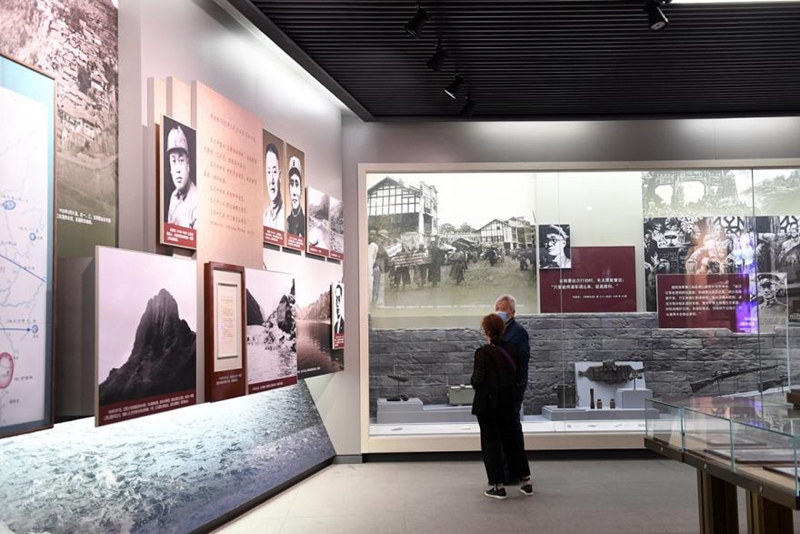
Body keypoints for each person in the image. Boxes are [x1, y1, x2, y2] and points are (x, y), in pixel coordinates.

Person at [471, 313, 532, 500]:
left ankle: (498, 486)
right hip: (509, 403)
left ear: (486, 331)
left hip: (488, 406)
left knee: (492, 444)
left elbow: (477, 380)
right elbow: (519, 375)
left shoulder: (483, 352)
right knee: (513, 441)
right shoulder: (512, 350)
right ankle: (526, 481)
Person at [494, 294, 530, 413]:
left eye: (503, 309)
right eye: (497, 308)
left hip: (512, 385)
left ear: (512, 312)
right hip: (498, 384)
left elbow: (523, 358)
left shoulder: (519, 331)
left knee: (511, 418)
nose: (499, 312)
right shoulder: (497, 330)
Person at [166, 125, 197, 228]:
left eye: (181, 160)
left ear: (188, 164)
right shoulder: (173, 197)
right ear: (170, 168)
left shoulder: (196, 199)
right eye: (173, 161)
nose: (177, 169)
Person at [262, 143, 285, 231]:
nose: (271, 180)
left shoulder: (285, 216)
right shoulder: (264, 216)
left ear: (280, 176)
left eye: (274, 172)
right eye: (268, 172)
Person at [286, 156, 305, 237]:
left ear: (301, 190)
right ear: (289, 189)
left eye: (297, 184)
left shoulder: (305, 224)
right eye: (291, 184)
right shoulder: (286, 223)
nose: (294, 192)